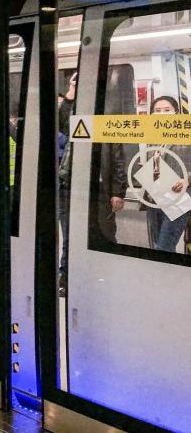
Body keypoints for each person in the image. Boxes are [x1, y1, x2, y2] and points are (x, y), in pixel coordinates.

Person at [57, 72, 127, 295]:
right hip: (70, 186)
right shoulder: (74, 114)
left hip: (99, 188)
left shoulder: (107, 115)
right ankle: (67, 277)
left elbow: (118, 157)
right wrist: (70, 93)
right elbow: (60, 124)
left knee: (103, 233)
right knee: (70, 235)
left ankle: (106, 276)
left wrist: (118, 191)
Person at [140, 96, 191, 253]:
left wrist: (187, 179)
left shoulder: (186, 132)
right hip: (154, 197)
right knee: (157, 244)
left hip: (178, 199)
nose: (162, 114)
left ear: (176, 112)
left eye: (167, 110)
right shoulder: (153, 136)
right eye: (157, 110)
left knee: (164, 247)